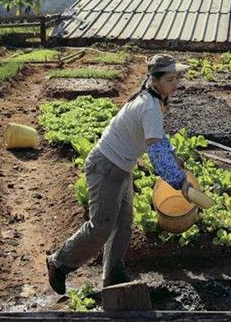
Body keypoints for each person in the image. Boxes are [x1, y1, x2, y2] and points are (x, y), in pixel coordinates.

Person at [46, 54, 193, 294]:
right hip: (106, 166)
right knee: (101, 226)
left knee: (123, 224)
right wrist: (180, 182)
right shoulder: (150, 106)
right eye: (170, 79)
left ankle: (113, 276)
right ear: (154, 80)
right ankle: (59, 262)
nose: (175, 83)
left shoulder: (153, 99)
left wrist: (174, 156)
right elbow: (156, 152)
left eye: (177, 78)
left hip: (121, 167)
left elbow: (157, 138)